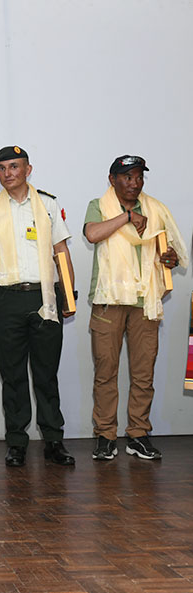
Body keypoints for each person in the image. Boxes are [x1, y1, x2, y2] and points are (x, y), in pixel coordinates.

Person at [0, 145, 76, 467]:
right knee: (13, 375)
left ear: (28, 170)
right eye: (2, 168)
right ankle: (16, 442)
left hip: (45, 297)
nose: (8, 173)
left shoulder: (48, 204)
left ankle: (54, 440)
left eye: (14, 166)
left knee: (46, 373)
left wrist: (68, 295)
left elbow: (61, 251)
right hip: (7, 299)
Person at [83, 155, 188, 461]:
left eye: (139, 177)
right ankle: (105, 436)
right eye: (127, 177)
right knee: (106, 372)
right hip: (109, 300)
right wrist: (127, 217)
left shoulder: (156, 209)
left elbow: (168, 251)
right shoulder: (99, 206)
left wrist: (170, 259)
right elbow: (92, 234)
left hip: (146, 302)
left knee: (143, 373)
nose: (135, 183)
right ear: (112, 179)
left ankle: (138, 434)